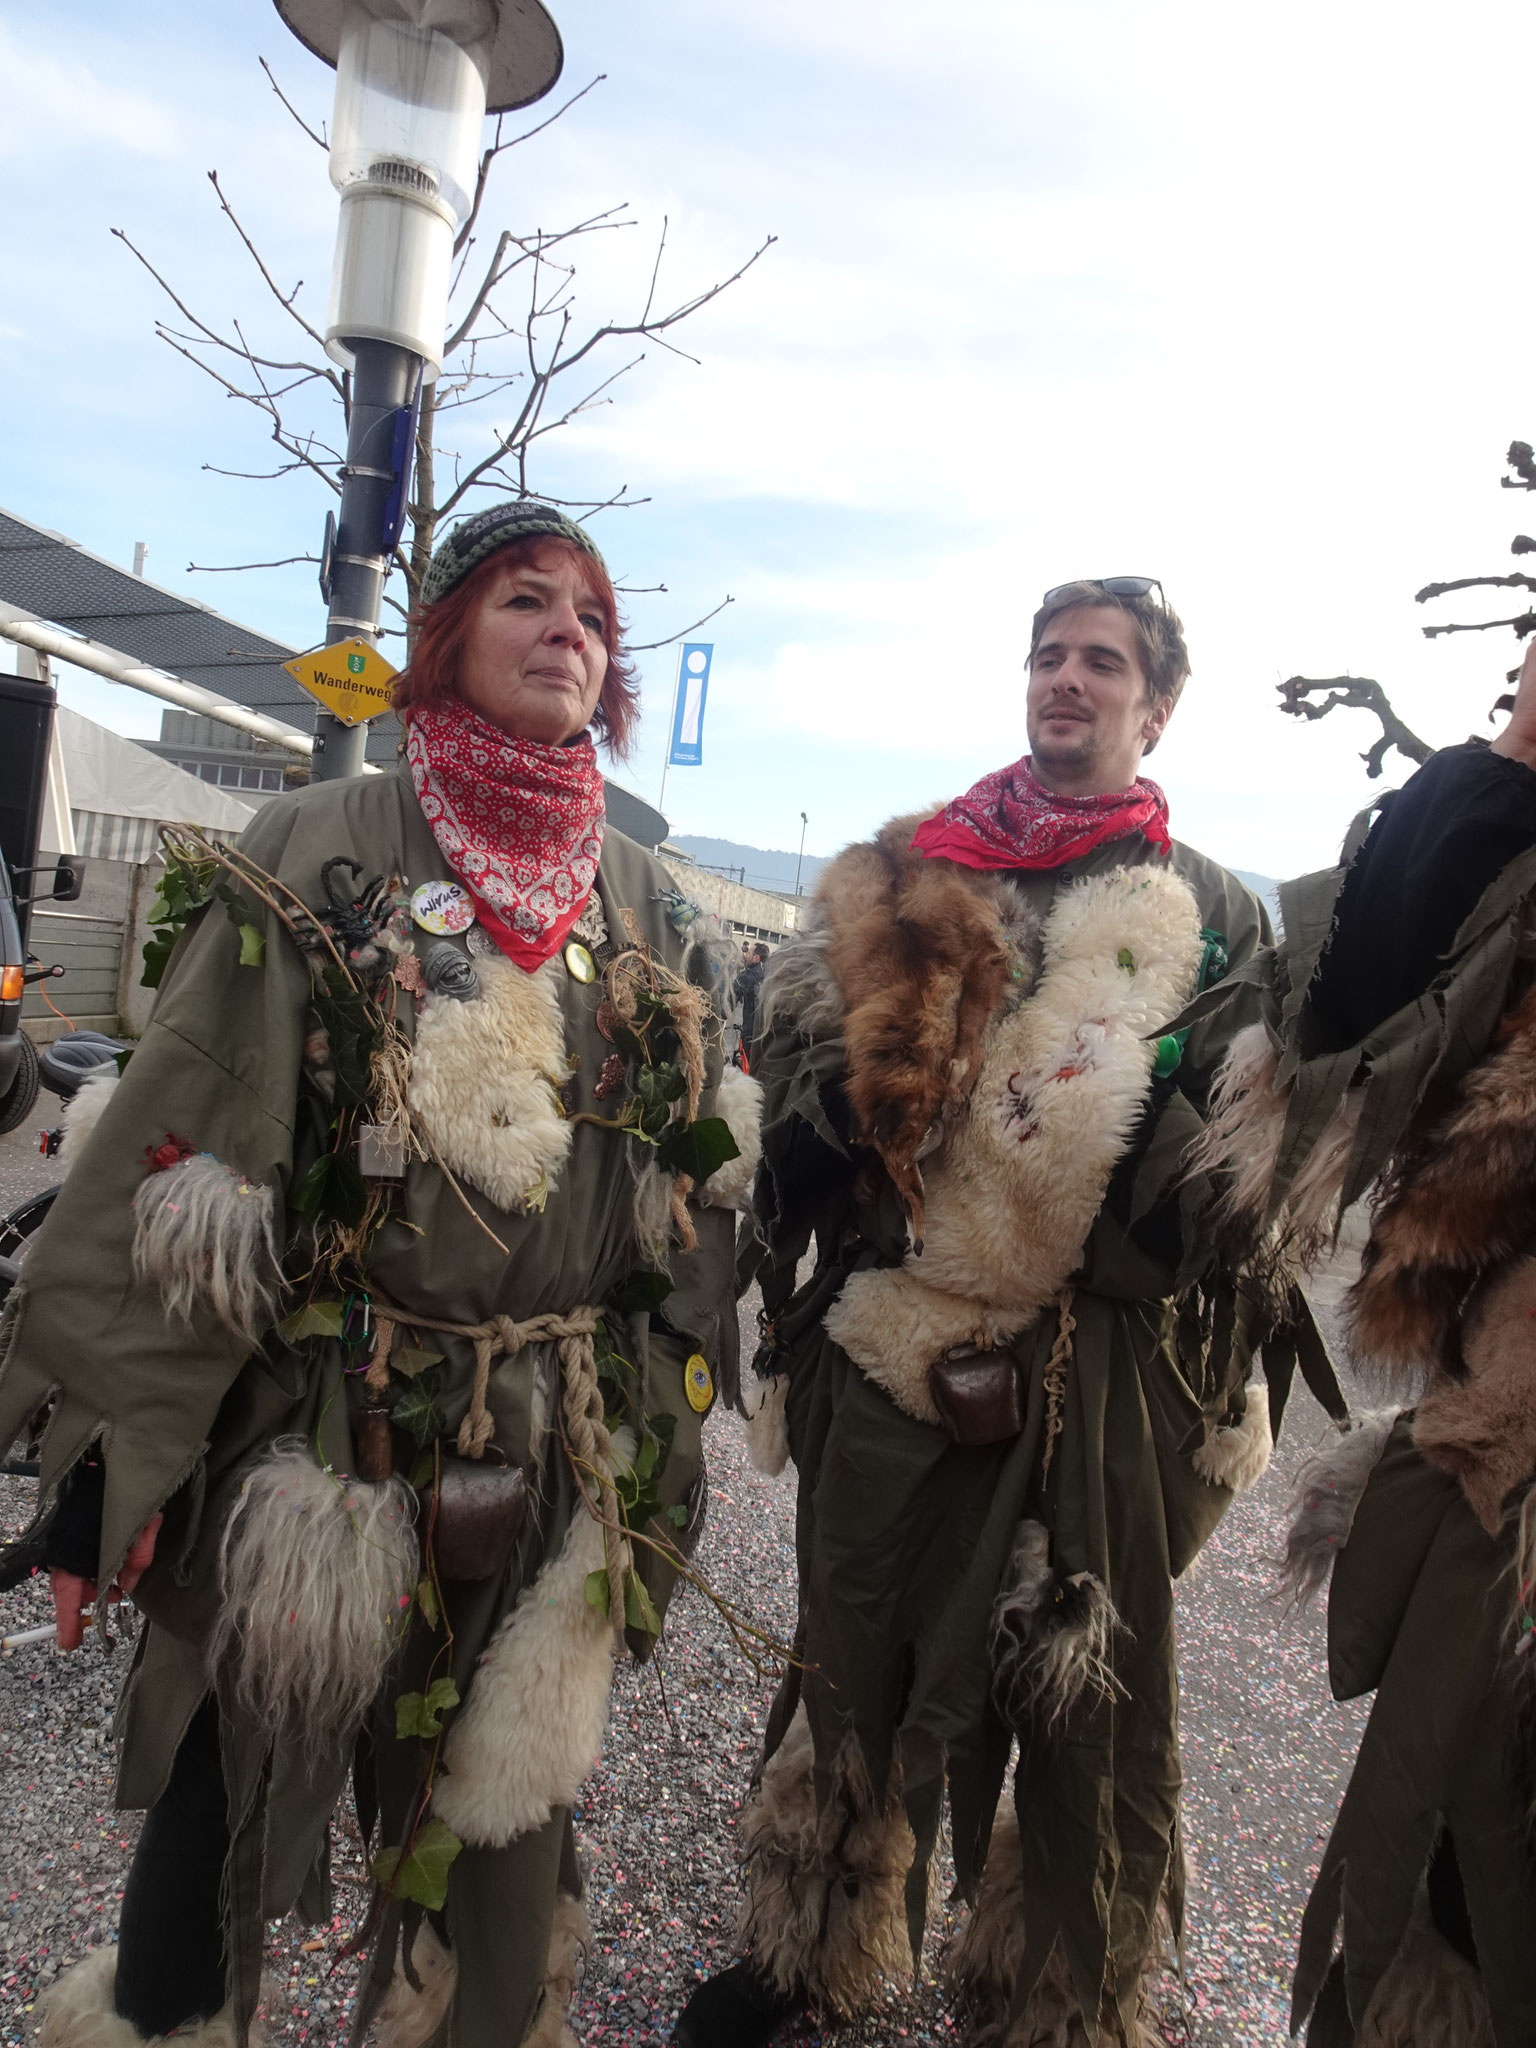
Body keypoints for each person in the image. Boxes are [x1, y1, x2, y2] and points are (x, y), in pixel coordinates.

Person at [1, 500, 759, 2048]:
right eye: (525, 600)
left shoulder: (656, 906)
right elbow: (183, 1160)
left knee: (500, 1807)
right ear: (447, 636)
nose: (568, 630)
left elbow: (692, 1217)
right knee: (226, 1785)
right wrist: (105, 1477)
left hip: (544, 1446)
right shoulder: (324, 843)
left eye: (592, 617)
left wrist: (657, 1445)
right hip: (317, 1434)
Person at [677, 579, 1332, 2046]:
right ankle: (810, 1942)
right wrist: (823, 1115)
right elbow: (791, 1037)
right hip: (904, 1330)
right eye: (1048, 655)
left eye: (1103, 664)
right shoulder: (913, 871)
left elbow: (1259, 1163)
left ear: (1156, 709)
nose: (1067, 681)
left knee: (1088, 1683)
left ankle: (1061, 1986)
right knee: (857, 1634)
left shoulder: (1217, 914)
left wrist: (1169, 1162)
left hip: (1106, 1368)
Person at [1200, 643, 1536, 2045]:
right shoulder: (1499, 849)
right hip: (1507, 1464)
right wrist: (1508, 764)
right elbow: (1344, 1049)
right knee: (1450, 1903)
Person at [736, 943, 768, 1067]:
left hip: (750, 1033)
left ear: (756, 958)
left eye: (749, 953)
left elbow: (730, 999)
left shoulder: (747, 977)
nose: (746, 955)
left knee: (750, 1069)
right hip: (766, 1034)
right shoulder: (770, 974)